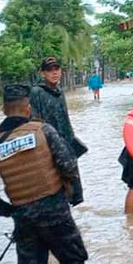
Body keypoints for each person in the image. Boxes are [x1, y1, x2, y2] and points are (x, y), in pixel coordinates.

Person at [0, 84, 88, 264]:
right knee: (74, 260)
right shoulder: (44, 131)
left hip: (23, 218)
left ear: (3, 110)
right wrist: (69, 192)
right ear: (28, 109)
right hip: (54, 210)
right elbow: (69, 165)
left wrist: (8, 210)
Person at [30, 56, 86, 205]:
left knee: (72, 191)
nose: (54, 73)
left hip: (65, 146)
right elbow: (34, 122)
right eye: (50, 70)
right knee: (54, 189)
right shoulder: (36, 92)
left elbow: (65, 121)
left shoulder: (59, 91)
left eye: (57, 69)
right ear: (43, 73)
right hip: (48, 149)